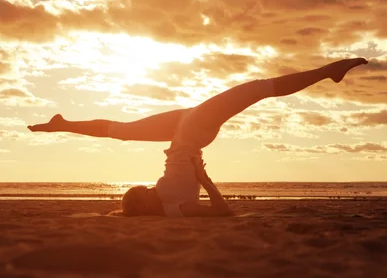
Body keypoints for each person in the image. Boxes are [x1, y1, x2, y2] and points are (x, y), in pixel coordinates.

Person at [28, 57, 368, 217]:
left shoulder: (161, 197)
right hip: (191, 132)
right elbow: (223, 214)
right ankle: (328, 71)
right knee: (257, 90)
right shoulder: (173, 207)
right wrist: (204, 179)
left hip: (182, 132)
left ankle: (64, 123)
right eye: (141, 194)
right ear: (146, 204)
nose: (145, 188)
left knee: (123, 131)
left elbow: (123, 211)